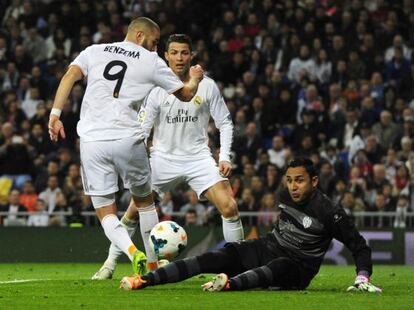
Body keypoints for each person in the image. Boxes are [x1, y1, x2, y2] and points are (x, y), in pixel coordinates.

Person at [48, 17, 204, 276]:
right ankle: (153, 266)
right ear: (140, 36)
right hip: (127, 139)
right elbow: (186, 95)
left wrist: (55, 114)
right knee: (145, 203)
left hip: (92, 141)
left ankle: (132, 252)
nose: (155, 49)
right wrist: (196, 78)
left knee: (105, 211)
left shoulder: (94, 51)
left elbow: (69, 76)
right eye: (154, 43)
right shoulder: (151, 60)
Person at [93, 34, 243, 280]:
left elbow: (225, 122)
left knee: (229, 206)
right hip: (162, 159)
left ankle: (239, 266)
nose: (179, 58)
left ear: (192, 55)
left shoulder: (207, 85)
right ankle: (109, 263)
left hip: (198, 158)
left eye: (184, 52)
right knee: (133, 211)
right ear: (166, 56)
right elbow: (142, 130)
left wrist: (224, 156)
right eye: (174, 53)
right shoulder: (156, 88)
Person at [120, 157, 382, 293]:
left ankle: (230, 284)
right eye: (289, 180)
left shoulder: (329, 212)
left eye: (299, 180)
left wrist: (362, 277)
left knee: (277, 267)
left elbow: (359, 246)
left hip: (297, 268)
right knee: (223, 254)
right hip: (269, 246)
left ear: (314, 181)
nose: (293, 186)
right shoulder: (284, 195)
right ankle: (145, 279)